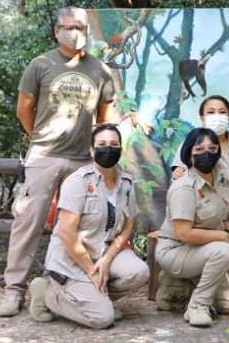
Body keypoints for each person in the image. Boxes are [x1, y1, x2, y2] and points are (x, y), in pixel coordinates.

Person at [0, 6, 115, 317]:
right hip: (44, 157)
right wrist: (42, 140)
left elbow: (105, 120)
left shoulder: (100, 71)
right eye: (69, 27)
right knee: (28, 222)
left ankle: (61, 289)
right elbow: (24, 111)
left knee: (81, 227)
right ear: (57, 31)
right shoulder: (40, 64)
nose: (76, 32)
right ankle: (14, 291)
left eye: (81, 27)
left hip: (83, 161)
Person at [27, 124, 149, 328]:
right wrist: (92, 271)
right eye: (102, 144)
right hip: (72, 258)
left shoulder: (126, 183)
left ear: (120, 150)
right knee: (102, 319)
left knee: (139, 272)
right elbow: (66, 232)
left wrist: (108, 258)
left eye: (114, 144)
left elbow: (128, 226)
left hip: (104, 251)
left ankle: (97, 300)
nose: (108, 149)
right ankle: (48, 295)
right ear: (92, 150)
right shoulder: (78, 182)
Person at [156, 128, 229, 327]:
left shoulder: (221, 174)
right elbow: (184, 233)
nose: (206, 154)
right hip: (176, 250)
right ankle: (198, 305)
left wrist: (222, 223)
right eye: (199, 149)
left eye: (212, 148)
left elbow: (213, 207)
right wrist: (222, 236)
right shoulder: (184, 187)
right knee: (224, 250)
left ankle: (177, 285)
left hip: (201, 249)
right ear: (189, 154)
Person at [171, 95, 229, 285]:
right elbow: (180, 176)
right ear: (202, 118)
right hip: (205, 216)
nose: (217, 116)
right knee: (220, 246)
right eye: (211, 112)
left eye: (222, 112)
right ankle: (210, 280)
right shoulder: (190, 143)